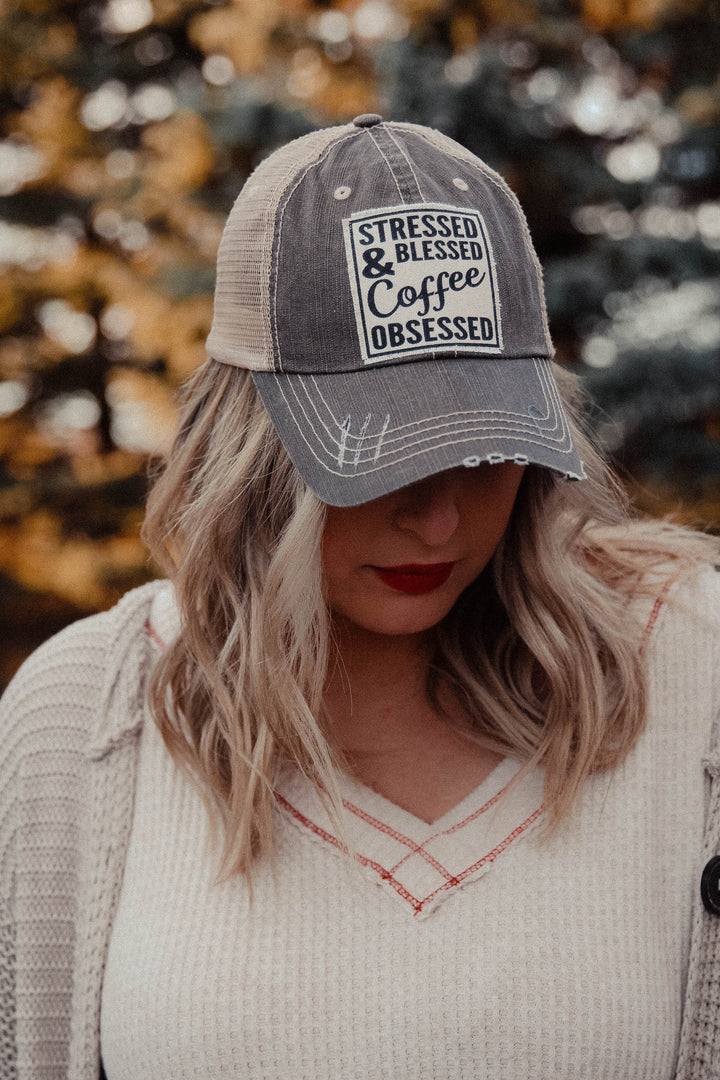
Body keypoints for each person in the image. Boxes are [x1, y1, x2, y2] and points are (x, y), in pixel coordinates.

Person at [1, 114, 719, 1080]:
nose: (440, 523)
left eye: (483, 450)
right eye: (381, 458)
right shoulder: (84, 719)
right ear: (251, 446)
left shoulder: (694, 667)